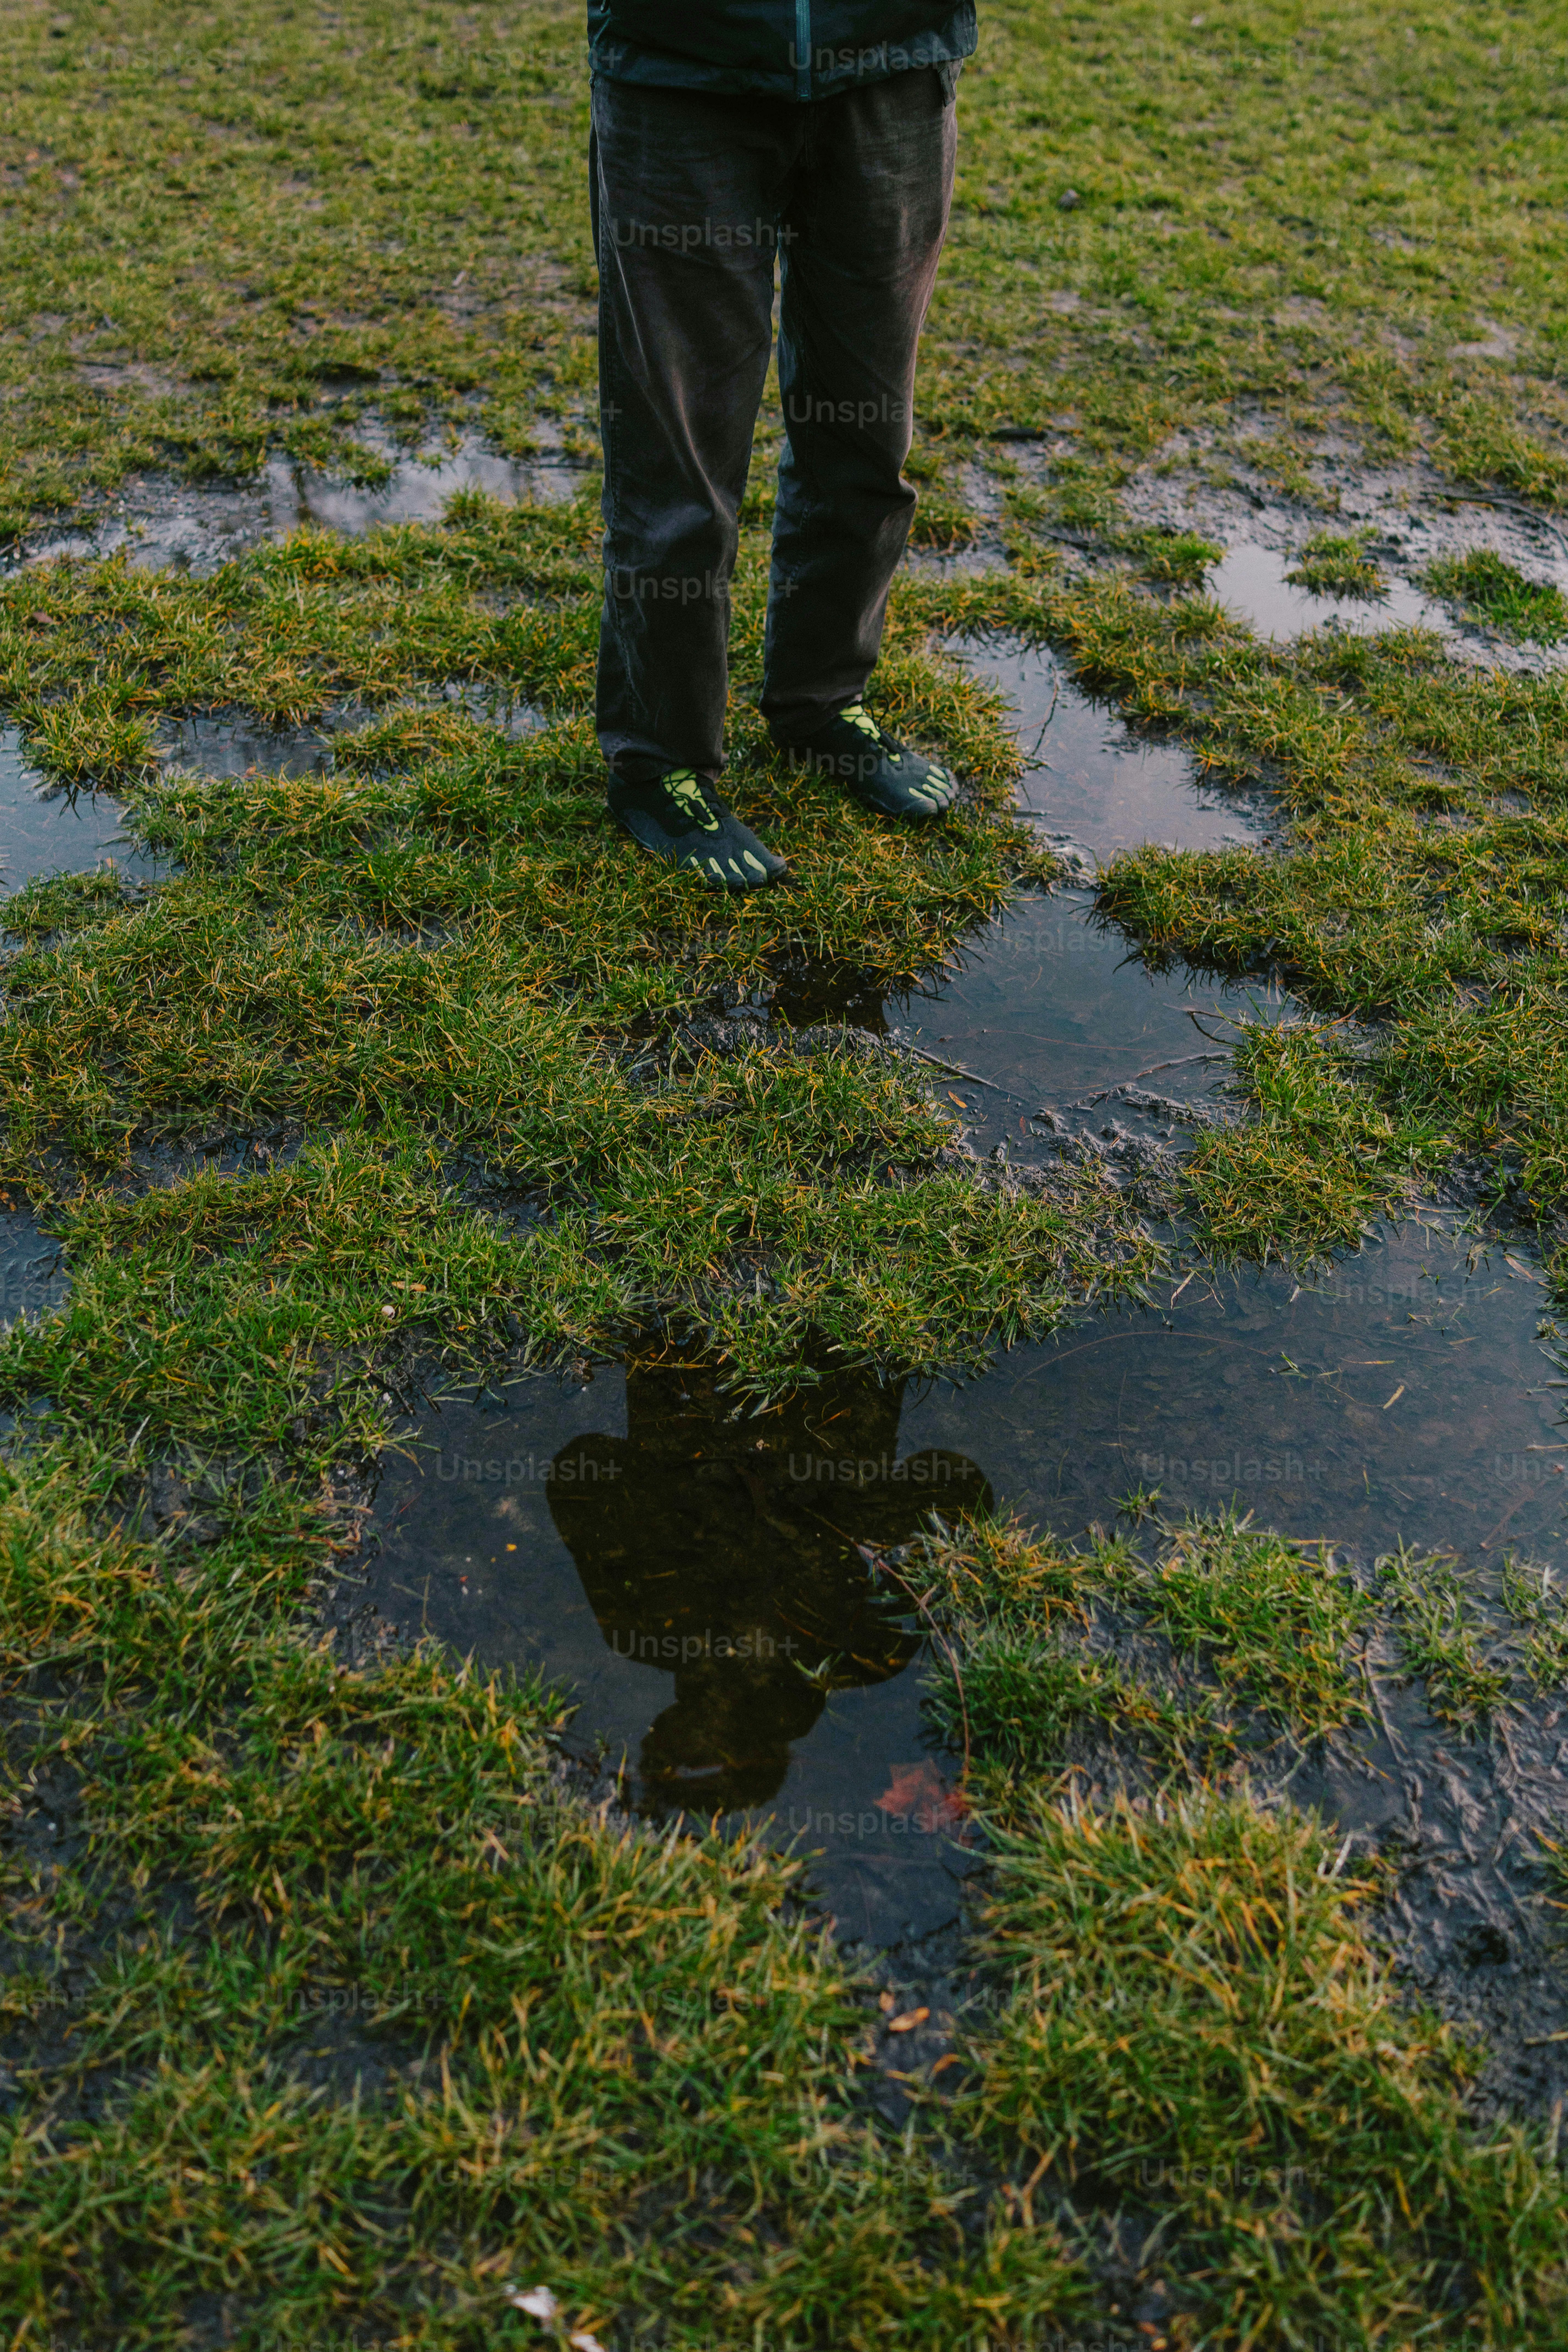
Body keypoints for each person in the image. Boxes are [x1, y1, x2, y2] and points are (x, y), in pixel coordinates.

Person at [588, 3, 977, 889]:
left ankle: (823, 702)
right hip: (680, 71)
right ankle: (659, 766)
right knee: (678, 453)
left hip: (890, 61)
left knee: (866, 432)